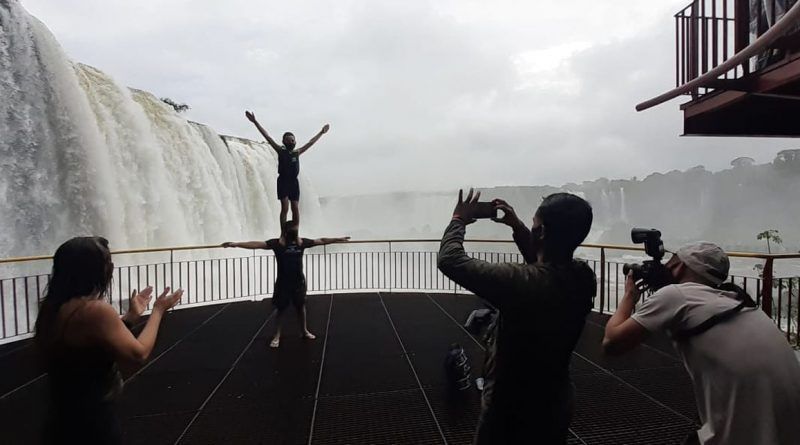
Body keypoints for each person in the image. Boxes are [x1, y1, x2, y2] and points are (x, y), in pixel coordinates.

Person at [438, 189, 597, 445]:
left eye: (535, 225)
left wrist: (458, 220)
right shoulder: (582, 276)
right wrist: (518, 227)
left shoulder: (522, 284)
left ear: (542, 232)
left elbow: (450, 260)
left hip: (509, 406)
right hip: (555, 400)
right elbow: (544, 262)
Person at [603, 242, 800, 445]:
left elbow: (612, 342)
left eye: (670, 263)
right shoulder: (739, 300)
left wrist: (629, 296)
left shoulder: (676, 295)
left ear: (680, 266)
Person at [34, 237, 183, 445]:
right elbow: (138, 354)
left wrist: (130, 317)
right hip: (91, 419)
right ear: (94, 270)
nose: (111, 268)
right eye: (108, 263)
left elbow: (87, 341)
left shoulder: (52, 307)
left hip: (61, 414)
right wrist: (158, 310)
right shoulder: (94, 310)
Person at [222, 220, 349, 348]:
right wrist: (236, 244)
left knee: (301, 307)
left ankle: (304, 331)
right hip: (283, 281)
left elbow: (320, 240)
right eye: (293, 229)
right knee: (281, 309)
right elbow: (257, 244)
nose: (295, 231)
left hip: (298, 281)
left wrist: (337, 239)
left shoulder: (301, 243)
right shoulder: (278, 244)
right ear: (287, 232)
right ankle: (277, 335)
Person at [245, 110, 330, 227]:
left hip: (294, 182)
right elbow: (267, 136)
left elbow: (311, 142)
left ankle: (295, 232)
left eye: (293, 140)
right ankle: (283, 234)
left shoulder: (297, 152)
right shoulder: (280, 150)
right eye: (289, 140)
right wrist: (255, 122)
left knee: (295, 208)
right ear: (284, 142)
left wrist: (321, 132)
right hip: (283, 181)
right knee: (285, 207)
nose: (292, 141)